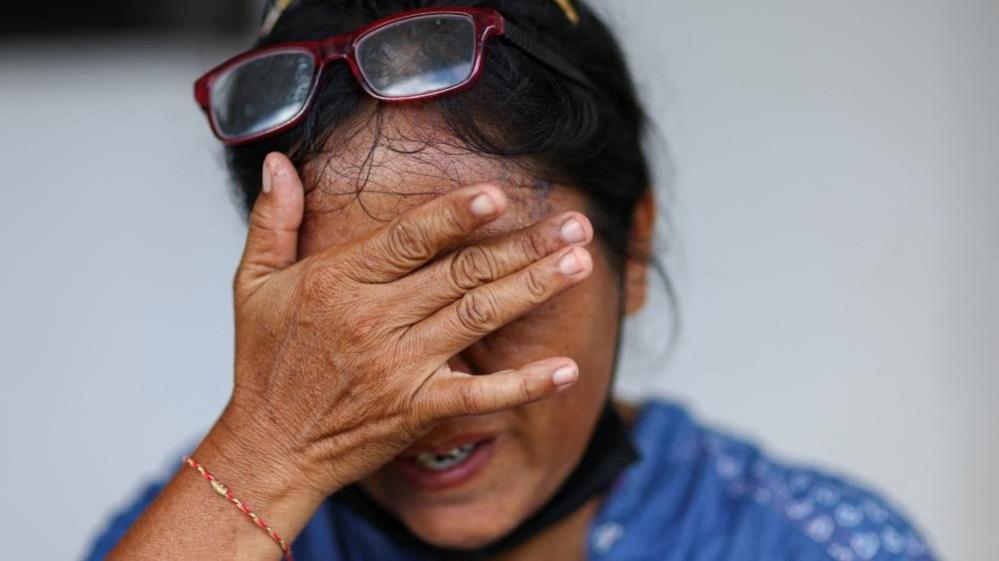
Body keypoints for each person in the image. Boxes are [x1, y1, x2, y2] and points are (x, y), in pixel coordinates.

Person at [85, 1, 937, 560]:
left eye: (487, 284)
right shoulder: (200, 520)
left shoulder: (814, 542)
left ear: (631, 253)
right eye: (362, 311)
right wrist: (266, 450)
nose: (430, 382)